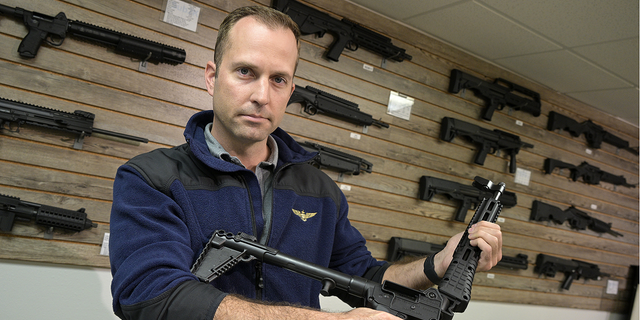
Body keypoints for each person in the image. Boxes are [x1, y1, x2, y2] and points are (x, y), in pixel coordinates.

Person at [108, 5, 502, 320]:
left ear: (291, 90)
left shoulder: (320, 190)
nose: (262, 95)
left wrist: (438, 264)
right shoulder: (150, 177)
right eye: (245, 72)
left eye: (278, 79)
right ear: (212, 77)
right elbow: (148, 296)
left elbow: (363, 278)